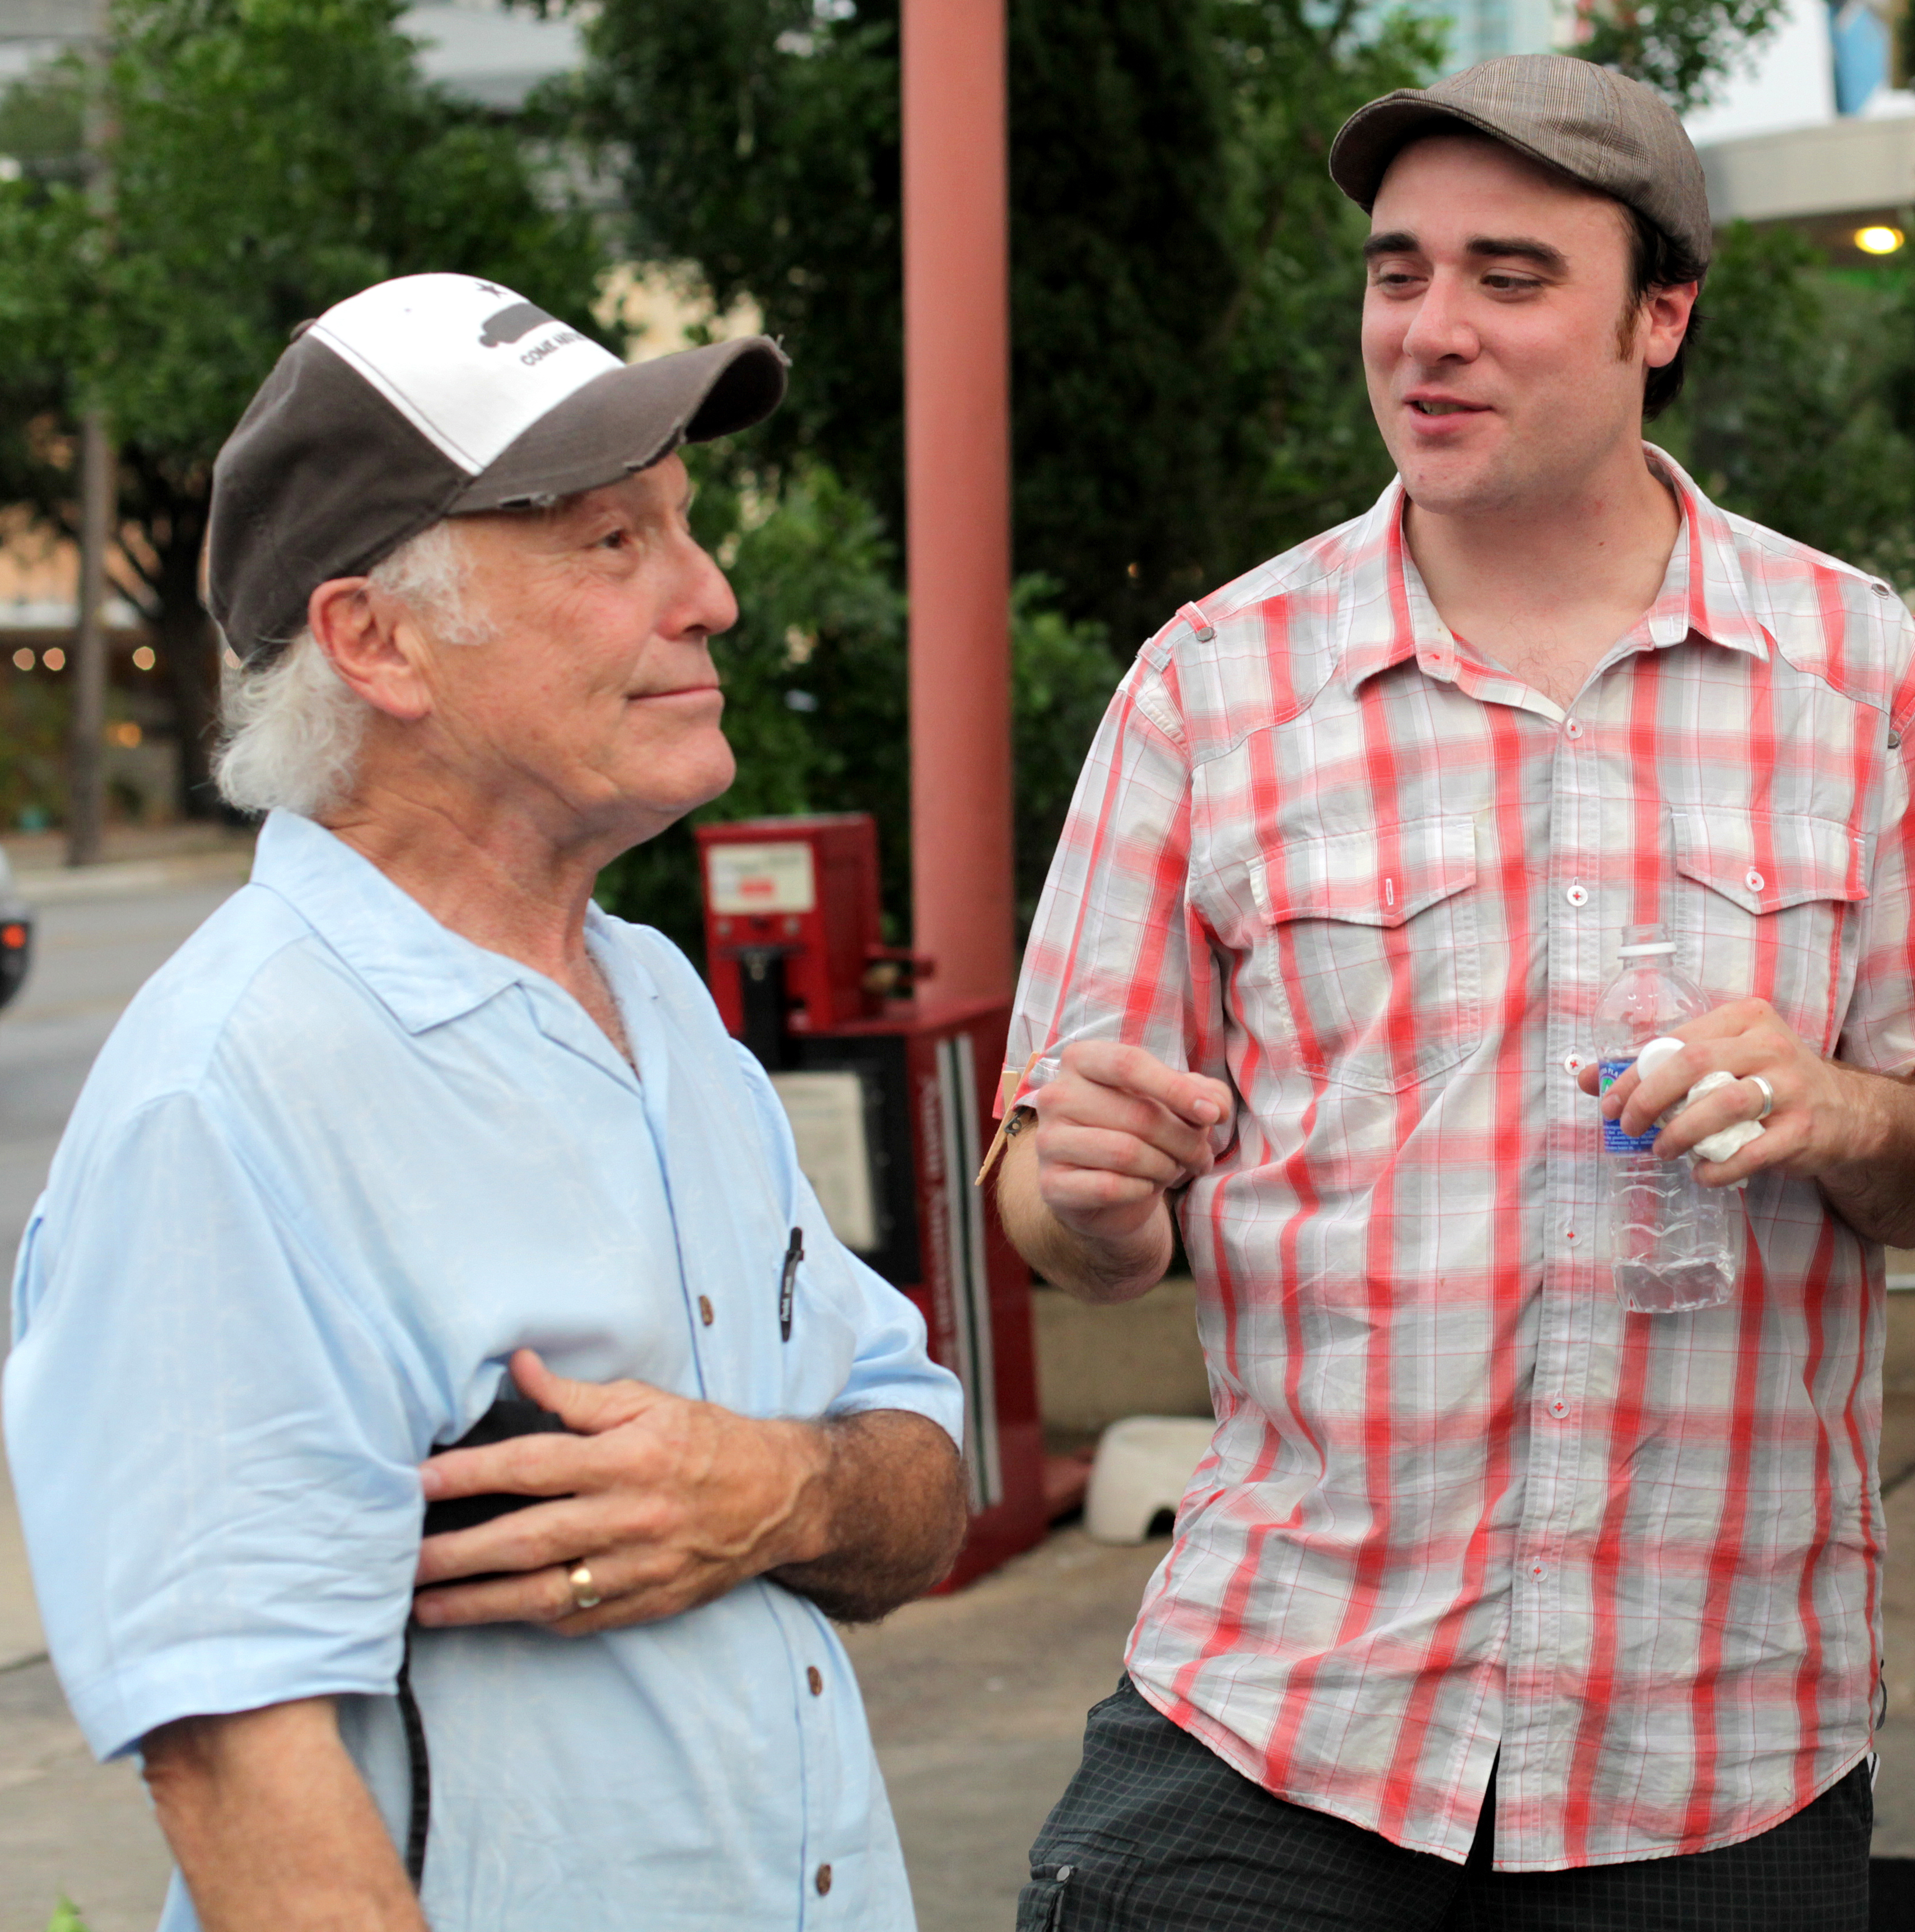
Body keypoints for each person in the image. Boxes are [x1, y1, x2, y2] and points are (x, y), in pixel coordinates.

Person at [996, 54, 1912, 1931]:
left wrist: (1840, 1109)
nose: (1431, 331)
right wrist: (1079, 1190)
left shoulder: (1868, 677)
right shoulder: (1212, 685)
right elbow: (1058, 1219)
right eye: (1397, 271)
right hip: (1279, 1710)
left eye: (1511, 276)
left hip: (1714, 1747)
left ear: (1662, 315)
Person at [3, 272, 968, 1931]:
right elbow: (243, 1771)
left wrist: (776, 1488)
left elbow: (919, 1473)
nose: (713, 596)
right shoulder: (232, 1092)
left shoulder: (661, 1000)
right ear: (375, 642)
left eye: (682, 527)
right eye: (611, 543)